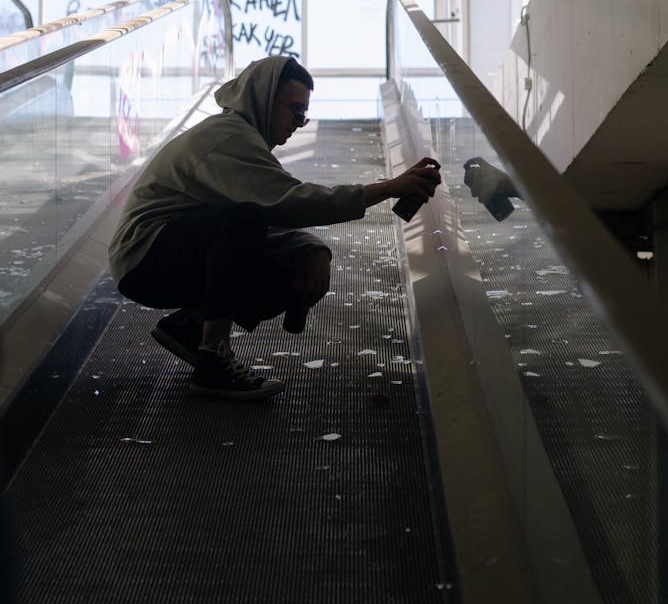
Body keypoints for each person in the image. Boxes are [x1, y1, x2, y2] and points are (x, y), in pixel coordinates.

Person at [109, 56, 441, 402]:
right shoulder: (227, 138)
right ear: (264, 98)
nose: (299, 123)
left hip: (165, 253)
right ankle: (213, 357)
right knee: (246, 220)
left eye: (304, 115)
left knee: (285, 249)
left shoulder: (243, 140)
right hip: (144, 256)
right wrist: (389, 188)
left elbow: (278, 206)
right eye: (294, 111)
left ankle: (191, 327)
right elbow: (290, 202)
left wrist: (309, 249)